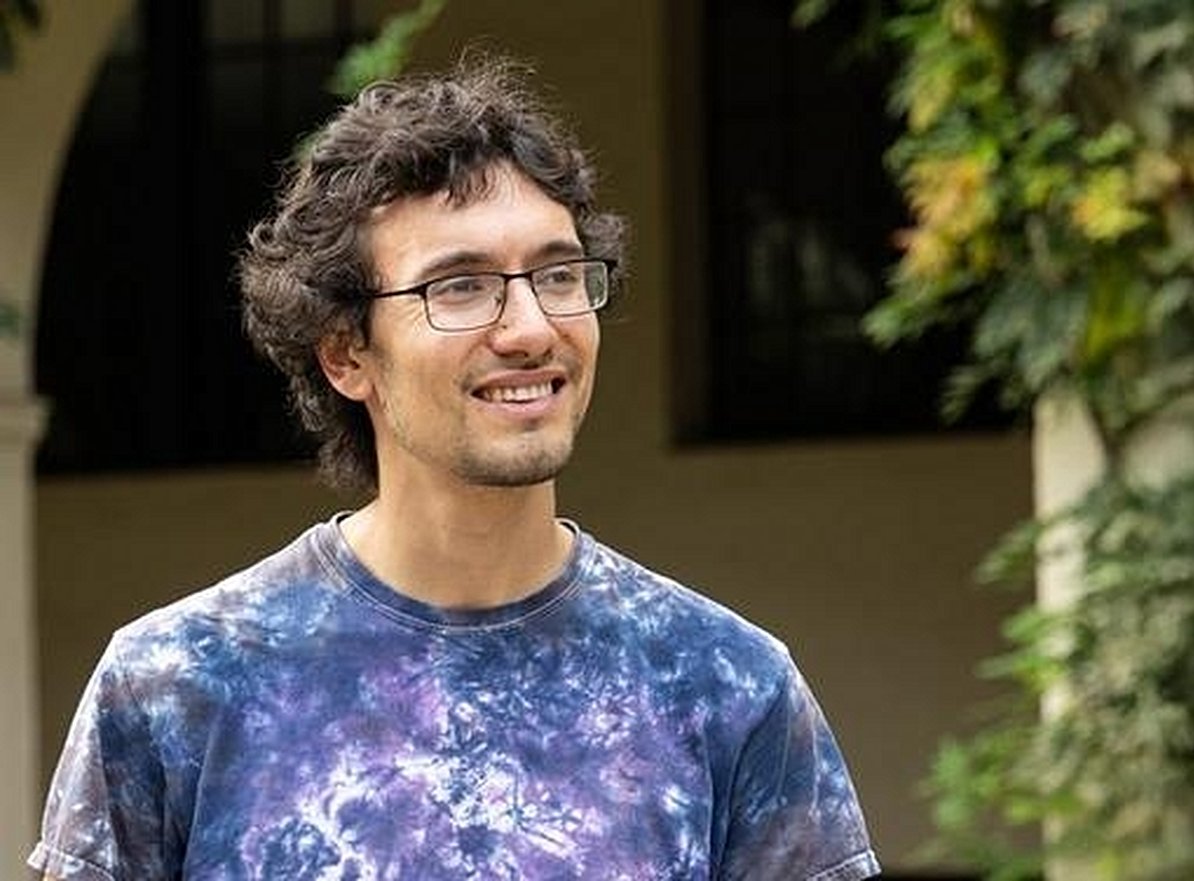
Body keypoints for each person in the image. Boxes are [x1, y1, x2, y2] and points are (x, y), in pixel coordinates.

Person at [29, 57, 880, 880]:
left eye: (558, 274)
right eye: (461, 286)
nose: (531, 328)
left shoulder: (726, 685)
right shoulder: (177, 685)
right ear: (345, 353)